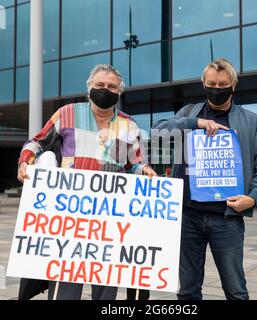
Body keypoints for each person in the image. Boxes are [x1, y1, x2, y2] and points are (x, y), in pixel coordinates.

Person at [17, 63, 156, 300]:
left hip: (109, 217)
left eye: (111, 86)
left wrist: (145, 170)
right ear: (89, 87)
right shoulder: (67, 113)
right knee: (65, 289)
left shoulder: (128, 124)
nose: (105, 89)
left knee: (106, 290)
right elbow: (38, 142)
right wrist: (24, 162)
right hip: (70, 216)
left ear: (119, 92)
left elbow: (133, 164)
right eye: (100, 85)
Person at [152, 58, 257, 300]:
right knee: (187, 292)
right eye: (211, 84)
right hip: (188, 217)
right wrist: (194, 123)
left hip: (227, 218)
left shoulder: (250, 120)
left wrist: (253, 198)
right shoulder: (188, 112)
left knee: (236, 291)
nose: (216, 89)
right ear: (203, 84)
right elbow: (158, 131)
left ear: (233, 86)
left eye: (222, 84)